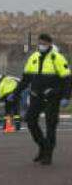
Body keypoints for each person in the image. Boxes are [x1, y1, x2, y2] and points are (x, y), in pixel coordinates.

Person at [17, 33, 71, 164]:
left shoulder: (57, 58)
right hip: (36, 96)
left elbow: (67, 80)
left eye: (44, 43)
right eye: (40, 43)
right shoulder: (33, 57)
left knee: (50, 125)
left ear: (49, 44)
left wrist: (65, 97)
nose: (41, 46)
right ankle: (42, 146)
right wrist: (16, 92)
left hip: (52, 97)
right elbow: (26, 79)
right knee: (30, 121)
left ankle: (48, 155)